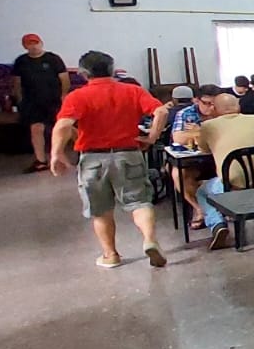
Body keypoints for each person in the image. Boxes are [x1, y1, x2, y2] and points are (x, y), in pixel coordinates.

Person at [49, 50, 171, 269]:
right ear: (112, 70)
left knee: (101, 211)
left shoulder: (77, 96)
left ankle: (111, 255)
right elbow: (161, 112)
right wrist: (152, 137)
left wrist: (56, 153)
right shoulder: (133, 91)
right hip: (128, 154)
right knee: (140, 203)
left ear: (83, 74)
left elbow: (63, 125)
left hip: (93, 159)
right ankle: (150, 240)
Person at [193, 93, 254, 250]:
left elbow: (204, 149)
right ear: (238, 106)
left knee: (202, 191)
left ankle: (217, 225)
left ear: (214, 108)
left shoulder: (208, 125)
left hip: (233, 183)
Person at [12, 33, 70, 173]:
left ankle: (65, 156)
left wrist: (64, 96)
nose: (33, 46)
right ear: (25, 46)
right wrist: (19, 100)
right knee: (36, 129)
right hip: (32, 101)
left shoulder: (53, 59)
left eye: (36, 43)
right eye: (30, 44)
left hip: (54, 100)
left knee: (61, 128)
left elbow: (64, 79)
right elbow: (16, 83)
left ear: (41, 43)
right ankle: (41, 161)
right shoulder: (21, 61)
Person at [171, 84, 222, 230]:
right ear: (196, 100)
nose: (211, 108)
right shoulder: (185, 113)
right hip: (194, 160)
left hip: (219, 157)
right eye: (206, 103)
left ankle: (222, 208)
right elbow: (178, 138)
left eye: (214, 104)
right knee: (178, 174)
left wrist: (199, 131)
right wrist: (206, 134)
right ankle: (199, 208)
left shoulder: (222, 110)